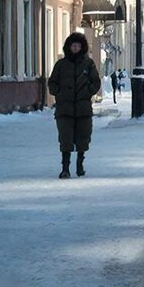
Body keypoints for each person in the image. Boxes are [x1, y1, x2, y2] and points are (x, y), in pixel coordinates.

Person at [48, 32, 101, 179]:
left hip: (83, 109)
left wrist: (87, 92)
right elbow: (52, 82)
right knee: (65, 138)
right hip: (64, 109)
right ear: (69, 47)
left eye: (78, 46)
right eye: (73, 46)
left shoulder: (88, 64)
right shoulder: (61, 65)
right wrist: (58, 92)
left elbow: (96, 82)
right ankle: (65, 168)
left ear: (82, 47)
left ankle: (80, 164)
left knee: (83, 137)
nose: (75, 48)